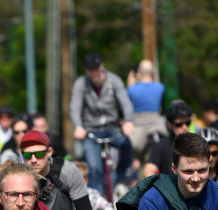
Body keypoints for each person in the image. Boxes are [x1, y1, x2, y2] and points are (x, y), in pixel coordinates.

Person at [70, 52, 135, 196]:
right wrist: (78, 126)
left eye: (96, 69)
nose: (94, 73)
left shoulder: (114, 80)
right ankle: (97, 202)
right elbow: (75, 107)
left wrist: (128, 121)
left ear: (102, 67)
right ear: (86, 71)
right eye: (90, 70)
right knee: (94, 168)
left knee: (127, 145)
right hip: (91, 130)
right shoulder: (81, 84)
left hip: (112, 128)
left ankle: (120, 181)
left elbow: (125, 102)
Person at [126, 59, 167, 158]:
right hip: (155, 125)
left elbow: (127, 105)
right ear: (153, 71)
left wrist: (130, 83)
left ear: (139, 71)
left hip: (138, 126)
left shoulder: (131, 90)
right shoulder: (160, 88)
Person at [143, 101, 194, 179]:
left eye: (187, 123)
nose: (184, 127)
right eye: (179, 124)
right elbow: (148, 172)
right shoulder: (161, 145)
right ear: (170, 125)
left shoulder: (196, 144)